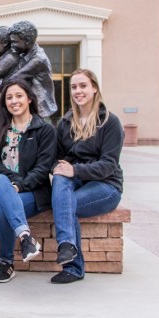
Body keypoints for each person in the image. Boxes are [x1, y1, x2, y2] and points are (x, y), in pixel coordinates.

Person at [51, 68, 124, 284]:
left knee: (67, 203)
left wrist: (75, 170)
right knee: (60, 178)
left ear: (94, 88)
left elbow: (108, 165)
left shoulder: (110, 122)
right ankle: (67, 248)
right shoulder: (65, 123)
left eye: (83, 86)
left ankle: (71, 263)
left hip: (106, 186)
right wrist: (59, 168)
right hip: (75, 182)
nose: (78, 91)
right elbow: (57, 159)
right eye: (74, 87)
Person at [0, 78, 56, 283]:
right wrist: (12, 182)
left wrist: (20, 185)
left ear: (30, 98)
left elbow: (43, 167)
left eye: (19, 96)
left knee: (5, 208)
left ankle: (5, 263)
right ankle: (25, 237)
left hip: (32, 192)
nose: (14, 101)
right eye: (9, 97)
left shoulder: (45, 130)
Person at [2, 21, 58, 118]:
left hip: (40, 108)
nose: (12, 46)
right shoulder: (24, 53)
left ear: (27, 41)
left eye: (15, 42)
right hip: (28, 107)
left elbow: (12, 80)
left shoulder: (39, 59)